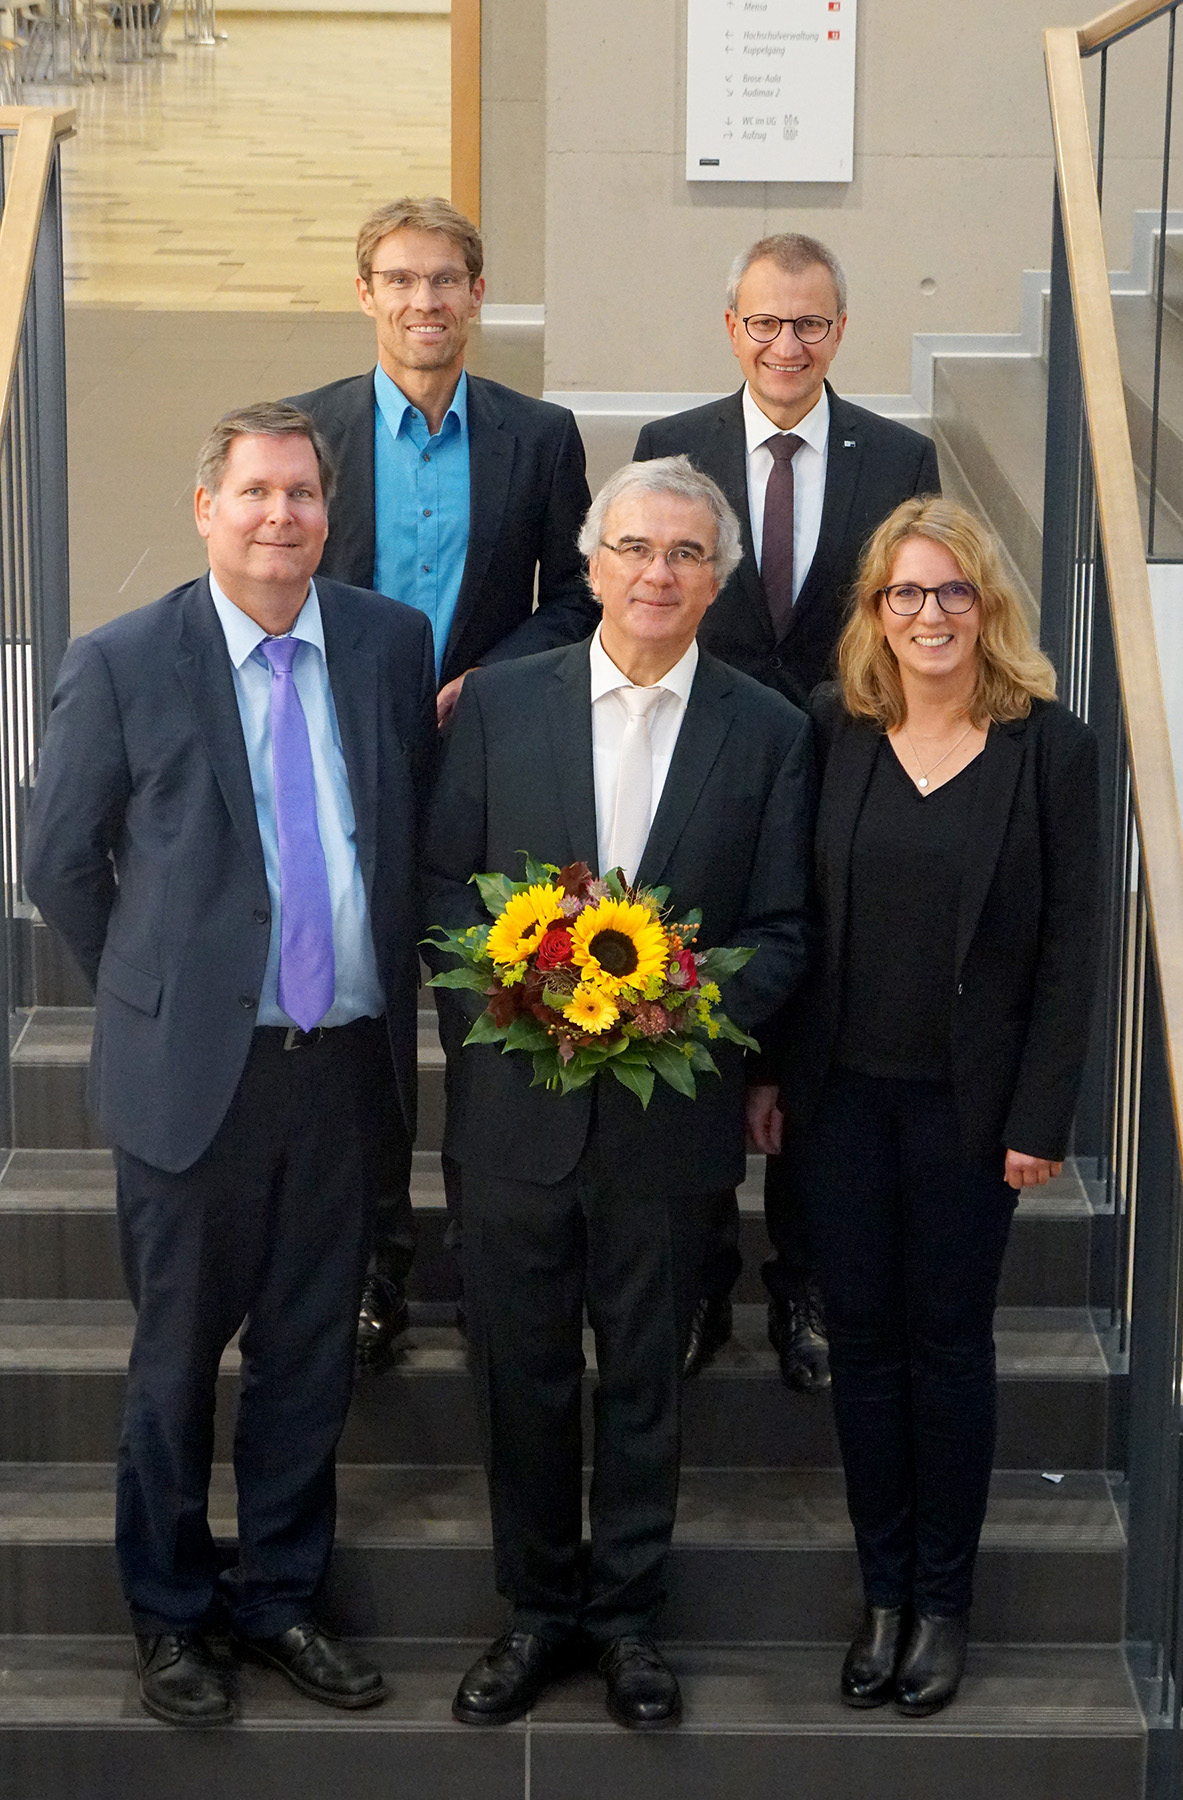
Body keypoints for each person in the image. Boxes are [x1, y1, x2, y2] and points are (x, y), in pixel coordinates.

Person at [24, 402, 437, 1728]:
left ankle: (280, 1599)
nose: (280, 516)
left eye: (303, 494)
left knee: (311, 1355)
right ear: (208, 508)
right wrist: (154, 990)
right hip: (195, 1073)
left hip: (345, 1067)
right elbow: (58, 863)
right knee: (175, 1361)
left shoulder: (386, 643)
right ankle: (170, 1614)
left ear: (329, 512)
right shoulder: (123, 657)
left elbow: (404, 825)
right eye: (255, 492)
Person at [423, 456, 814, 1729]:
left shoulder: (769, 730)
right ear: (590, 563)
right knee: (521, 1375)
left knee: (647, 1377)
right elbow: (438, 895)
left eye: (688, 556)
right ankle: (538, 1611)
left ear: (718, 582)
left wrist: (676, 1016)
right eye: (636, 548)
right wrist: (518, 1013)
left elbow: (783, 932)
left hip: (669, 1124)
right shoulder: (497, 707)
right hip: (515, 1124)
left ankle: (630, 1622)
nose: (659, 573)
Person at [747, 496, 1101, 1717]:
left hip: (972, 1115)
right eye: (905, 594)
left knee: (947, 1350)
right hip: (842, 1100)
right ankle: (882, 1594)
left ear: (989, 604)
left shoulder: (1049, 746)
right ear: (875, 614)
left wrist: (1041, 1120)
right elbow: (794, 917)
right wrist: (770, 1075)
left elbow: (1071, 953)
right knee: (864, 1350)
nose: (930, 614)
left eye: (953, 591)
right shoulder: (833, 726)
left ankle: (943, 1605)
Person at [290, 196, 596, 1365]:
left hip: (486, 772)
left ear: (478, 294)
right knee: (362, 1043)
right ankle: (373, 1267)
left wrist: (486, 681)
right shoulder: (307, 434)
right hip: (341, 772)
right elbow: (277, 583)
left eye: (446, 281)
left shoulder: (541, 432)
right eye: (401, 281)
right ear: (364, 292)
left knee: (488, 1025)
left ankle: (491, 1266)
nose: (425, 302)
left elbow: (575, 598)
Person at [634, 232, 942, 1385]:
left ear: (840, 332)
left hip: (840, 775)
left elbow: (905, 614)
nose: (785, 343)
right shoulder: (676, 447)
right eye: (764, 321)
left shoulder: (899, 453)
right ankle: (702, 1278)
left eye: (809, 323)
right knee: (697, 1017)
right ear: (732, 328)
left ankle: (805, 1286)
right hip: (702, 771)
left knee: (816, 1032)